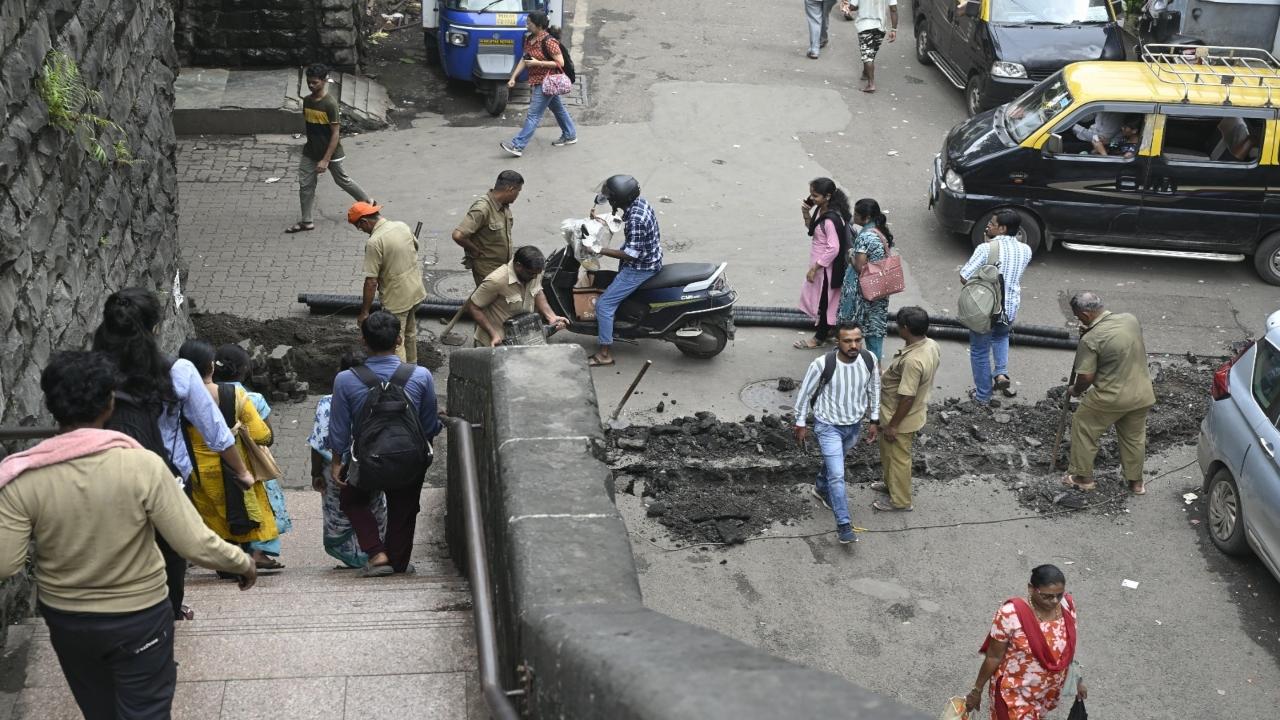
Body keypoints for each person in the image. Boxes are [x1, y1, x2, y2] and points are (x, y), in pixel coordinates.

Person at [0, 351, 255, 720]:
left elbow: (6, 561)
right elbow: (193, 543)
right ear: (109, 403)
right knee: (147, 709)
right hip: (138, 616)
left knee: (98, 709)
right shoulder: (143, 466)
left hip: (68, 618)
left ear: (51, 405)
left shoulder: (21, 475)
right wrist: (242, 563)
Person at [92, 287, 255, 621]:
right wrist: (241, 472)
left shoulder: (93, 372)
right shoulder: (177, 372)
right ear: (154, 329)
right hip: (167, 476)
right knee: (171, 548)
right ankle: (168, 610)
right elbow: (215, 429)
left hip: (103, 474)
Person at [329, 311, 442, 576]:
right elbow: (428, 425)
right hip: (409, 456)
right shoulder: (421, 375)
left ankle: (377, 553)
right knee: (404, 507)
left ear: (363, 341)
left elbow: (339, 427)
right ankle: (399, 562)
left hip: (365, 460)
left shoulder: (345, 379)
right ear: (400, 340)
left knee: (352, 499)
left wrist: (337, 462)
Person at [180, 340, 280, 564]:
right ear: (211, 366)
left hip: (197, 472)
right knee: (238, 512)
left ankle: (221, 560)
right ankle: (240, 559)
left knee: (212, 518)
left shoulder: (178, 398)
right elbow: (263, 435)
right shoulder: (233, 394)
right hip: (235, 467)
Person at [793, 324, 881, 544]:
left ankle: (820, 489)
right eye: (847, 341)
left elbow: (874, 389)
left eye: (857, 340)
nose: (853, 345)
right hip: (828, 426)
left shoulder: (869, 359)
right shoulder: (822, 364)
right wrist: (800, 422)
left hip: (853, 426)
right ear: (837, 342)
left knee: (836, 464)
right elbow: (804, 395)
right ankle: (843, 525)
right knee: (838, 475)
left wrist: (874, 419)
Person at [1063, 292, 1156, 495]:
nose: (1078, 319)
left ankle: (1082, 477)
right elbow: (1117, 341)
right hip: (1142, 393)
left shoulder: (1091, 339)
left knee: (1084, 425)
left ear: (1086, 315)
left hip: (1111, 397)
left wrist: (1075, 390)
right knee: (1134, 438)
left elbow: (1086, 377)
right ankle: (1136, 483)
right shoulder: (1130, 320)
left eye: (1078, 316)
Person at [965, 565, 1086, 719]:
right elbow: (993, 656)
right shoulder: (1011, 614)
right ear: (1031, 588)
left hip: (1044, 694)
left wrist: (1078, 679)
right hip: (1013, 694)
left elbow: (1067, 647)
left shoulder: (1067, 605)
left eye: (1059, 595)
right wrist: (977, 690)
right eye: (1047, 596)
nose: (1054, 601)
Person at [213, 344, 292, 569]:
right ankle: (259, 550)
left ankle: (229, 550)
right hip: (251, 464)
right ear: (246, 370)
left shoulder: (207, 395)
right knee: (260, 503)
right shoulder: (254, 398)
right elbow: (267, 436)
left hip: (216, 459)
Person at [308, 350, 389, 569]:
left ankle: (357, 556)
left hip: (338, 470)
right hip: (371, 465)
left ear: (339, 373)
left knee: (341, 511)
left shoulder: (327, 402)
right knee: (372, 505)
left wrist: (316, 473)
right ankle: (374, 549)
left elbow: (318, 443)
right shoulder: (380, 397)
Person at [285, 63, 373, 234]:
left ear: (324, 81)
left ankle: (367, 202)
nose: (311, 86)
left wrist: (325, 159)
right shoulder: (307, 101)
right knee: (306, 185)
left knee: (342, 180)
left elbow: (335, 134)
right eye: (309, 82)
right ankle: (306, 221)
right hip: (310, 151)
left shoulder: (330, 104)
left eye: (315, 82)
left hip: (331, 153)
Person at [587, 174, 663, 367]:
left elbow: (631, 255)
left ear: (619, 198)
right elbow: (622, 221)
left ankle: (605, 354)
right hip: (651, 255)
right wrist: (600, 220)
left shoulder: (636, 220)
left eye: (611, 196)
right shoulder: (639, 203)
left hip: (640, 267)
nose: (609, 198)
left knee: (603, 305)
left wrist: (598, 249)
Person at [960, 209, 1033, 406]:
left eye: (992, 224)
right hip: (1010, 307)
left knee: (980, 350)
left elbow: (964, 276)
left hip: (986, 310)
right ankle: (1000, 374)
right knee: (1001, 337)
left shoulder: (986, 249)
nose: (988, 226)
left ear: (1002, 228)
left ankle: (983, 396)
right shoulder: (1026, 250)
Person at [871, 306, 941, 512]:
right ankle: (891, 485)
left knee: (899, 457)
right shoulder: (931, 345)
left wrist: (893, 426)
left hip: (900, 418)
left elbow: (907, 397)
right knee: (889, 453)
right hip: (907, 413)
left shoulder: (912, 361)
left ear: (906, 328)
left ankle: (900, 501)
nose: (897, 329)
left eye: (899, 326)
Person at [350, 201, 428, 364]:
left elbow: (371, 281)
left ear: (364, 221)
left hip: (397, 298)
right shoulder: (401, 226)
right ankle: (412, 367)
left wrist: (365, 312)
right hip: (415, 290)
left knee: (394, 341)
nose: (361, 230)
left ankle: (399, 379)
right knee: (410, 333)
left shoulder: (374, 242)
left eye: (359, 227)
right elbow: (415, 247)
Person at [501, 11, 577, 157]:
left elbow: (559, 63)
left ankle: (517, 145)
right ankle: (570, 135)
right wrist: (513, 77)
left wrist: (538, 63)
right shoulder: (529, 39)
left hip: (546, 82)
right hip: (538, 81)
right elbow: (524, 59)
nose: (526, 25)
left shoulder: (549, 41)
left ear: (539, 25)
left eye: (529, 22)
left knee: (533, 115)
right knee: (558, 109)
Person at [465, 245, 569, 347]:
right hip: (497, 342)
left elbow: (537, 292)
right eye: (531, 274)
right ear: (518, 266)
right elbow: (473, 307)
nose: (535, 277)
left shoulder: (535, 272)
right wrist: (493, 334)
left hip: (522, 339)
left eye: (537, 274)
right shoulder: (497, 281)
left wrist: (551, 316)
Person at [796, 177, 851, 350]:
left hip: (827, 268)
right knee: (825, 300)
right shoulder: (822, 210)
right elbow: (814, 231)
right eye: (811, 194)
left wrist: (816, 267)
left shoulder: (830, 219)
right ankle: (828, 331)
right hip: (823, 266)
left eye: (816, 195)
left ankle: (819, 337)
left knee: (825, 301)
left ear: (827, 196)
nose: (812, 198)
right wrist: (806, 212)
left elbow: (833, 248)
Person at [838, 198, 894, 359]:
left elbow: (860, 267)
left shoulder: (865, 237)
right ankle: (875, 366)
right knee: (874, 329)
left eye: (856, 214)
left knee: (857, 326)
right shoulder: (881, 231)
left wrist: (850, 254)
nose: (853, 216)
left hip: (863, 293)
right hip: (879, 288)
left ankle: (859, 365)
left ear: (866, 217)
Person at [452, 170, 524, 286]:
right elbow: (458, 235)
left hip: (502, 268)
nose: (518, 195)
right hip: (487, 271)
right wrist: (474, 250)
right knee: (490, 303)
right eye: (518, 191)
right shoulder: (482, 209)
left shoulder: (503, 206)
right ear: (510, 189)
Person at [842, 0, 898, 92]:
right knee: (870, 52)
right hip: (880, 27)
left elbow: (852, 6)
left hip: (865, 25)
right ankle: (865, 72)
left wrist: (846, 7)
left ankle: (871, 84)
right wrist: (894, 29)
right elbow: (894, 9)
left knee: (867, 55)